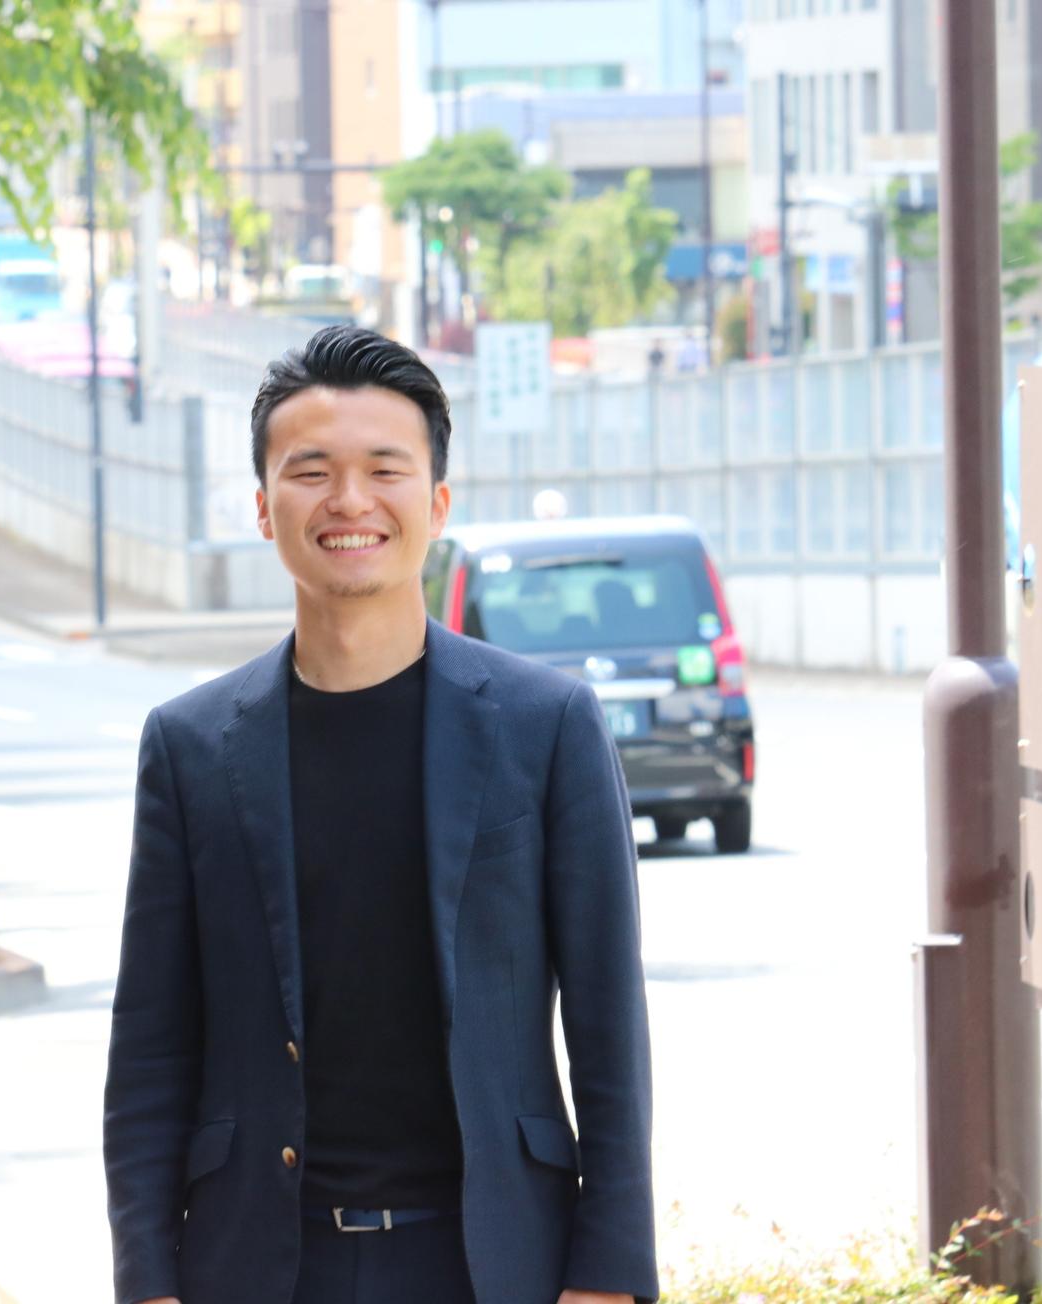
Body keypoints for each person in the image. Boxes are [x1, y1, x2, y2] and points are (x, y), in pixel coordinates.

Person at [104, 325, 656, 1304]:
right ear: (264, 506)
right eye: (311, 471)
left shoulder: (547, 724)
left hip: (493, 1261)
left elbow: (609, 1023)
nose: (349, 500)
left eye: (384, 469)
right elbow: (152, 1042)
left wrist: (608, 1276)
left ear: (436, 502)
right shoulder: (189, 745)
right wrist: (147, 1279)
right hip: (259, 1264)